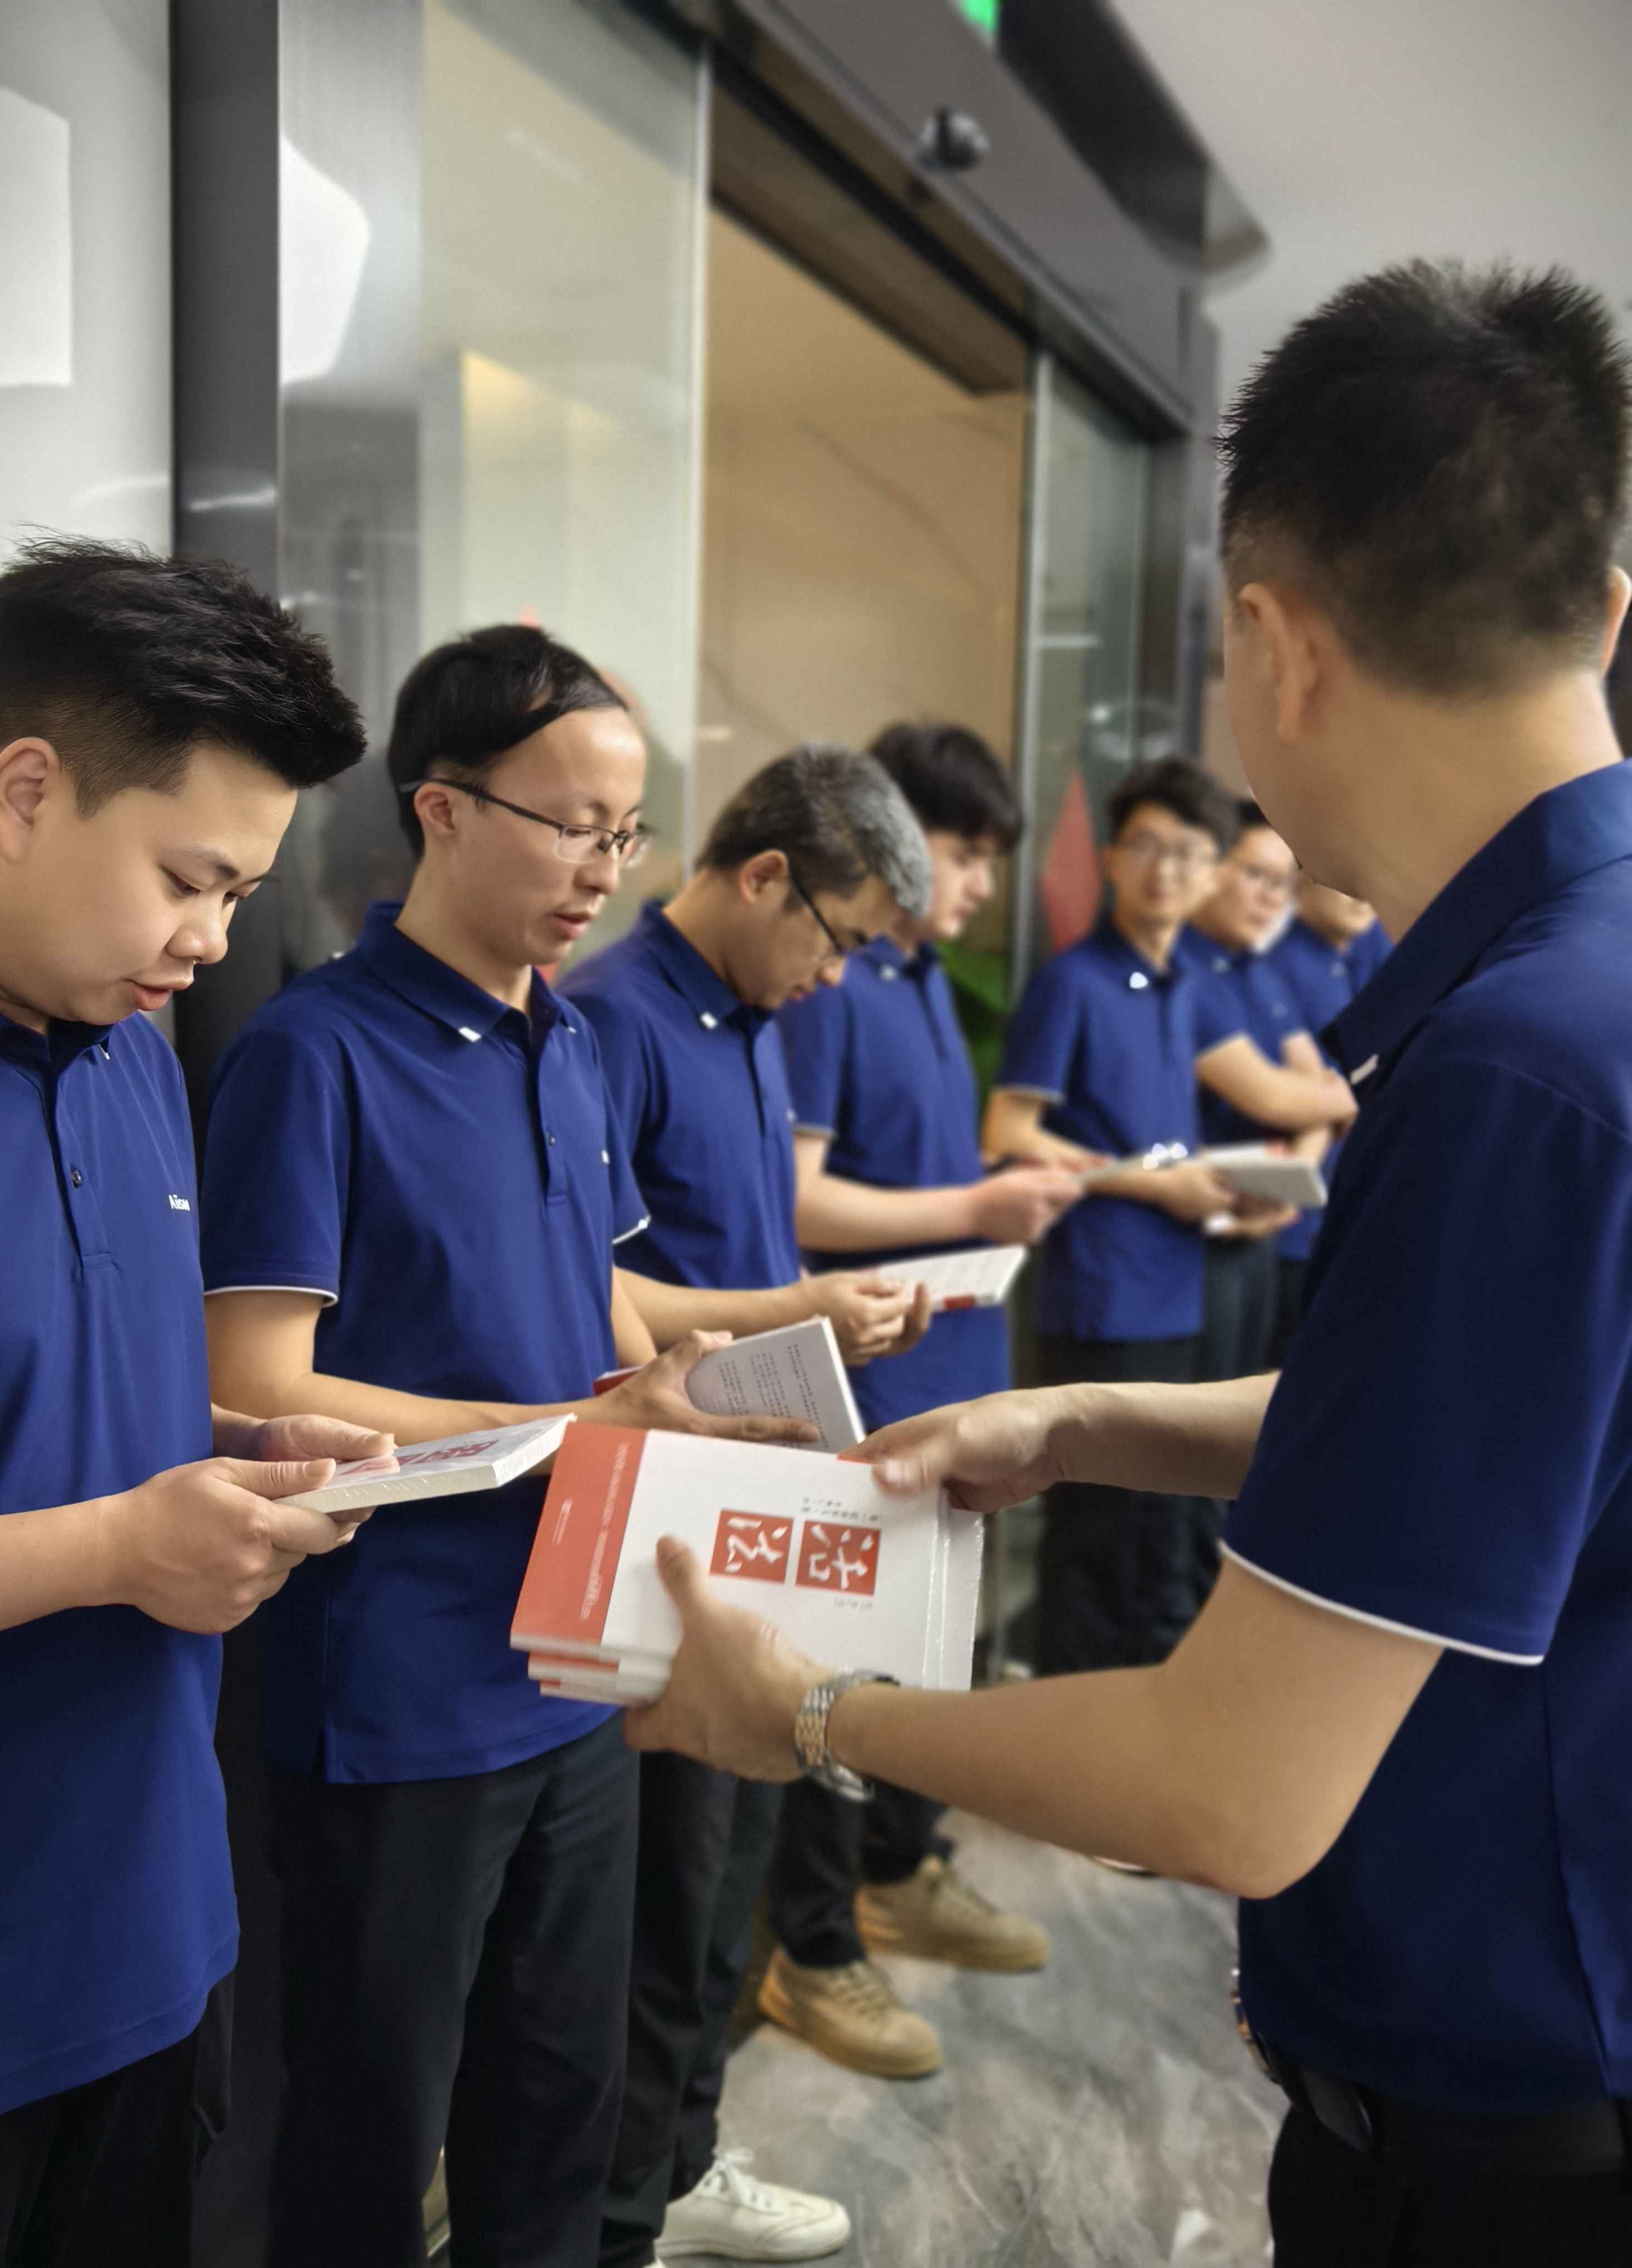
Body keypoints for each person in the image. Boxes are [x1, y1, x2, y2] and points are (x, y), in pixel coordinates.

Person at [628, 259, 1632, 2266]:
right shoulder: (1571, 999)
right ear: (1605, 611)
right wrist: (1089, 1420)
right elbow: (1488, 1440)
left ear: (1269, 643)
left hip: (1506, 2133)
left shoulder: (1518, 1067)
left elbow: (1232, 1783)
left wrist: (809, 1712)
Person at [198, 626, 810, 2268]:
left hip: (575, 1660)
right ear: (442, 809)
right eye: (570, 826)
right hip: (398, 1692)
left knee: (557, 2111)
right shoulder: (314, 1053)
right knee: (368, 2141)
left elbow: (589, 1293)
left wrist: (727, 1369)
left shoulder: (571, 1041)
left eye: (626, 833)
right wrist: (573, 1424)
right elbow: (256, 1376)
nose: (603, 869)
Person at [0, 538, 387, 2268]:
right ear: (26, 791)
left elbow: (43, 1399)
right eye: (190, 882)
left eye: (243, 895)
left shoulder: (128, 1048)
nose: (211, 942)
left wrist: (239, 1450)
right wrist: (123, 1547)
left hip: (149, 1937)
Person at [558, 743, 937, 2266]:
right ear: (765, 875)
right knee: (664, 1893)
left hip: (761, 1493)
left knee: (726, 1880)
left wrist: (823, 1321)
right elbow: (594, 1293)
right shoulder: (610, 1017)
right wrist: (800, 1309)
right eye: (836, 939)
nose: (835, 978)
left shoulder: (754, 1020)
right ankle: (625, 2206)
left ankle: (685, 2157)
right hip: (661, 1516)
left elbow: (737, 1255)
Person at [762, 723, 1077, 2081]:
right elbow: (803, 1199)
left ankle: (902, 1868)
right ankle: (813, 1943)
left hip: (959, 1371)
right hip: (873, 1385)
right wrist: (975, 1204)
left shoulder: (921, 977)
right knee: (843, 1682)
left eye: (990, 860)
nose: (977, 886)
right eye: (962, 853)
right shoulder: (830, 987)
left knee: (929, 1663)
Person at [981, 756, 1243, 1673]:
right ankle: (1067, 1707)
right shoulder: (1074, 982)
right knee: (1095, 1527)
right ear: (1109, 859)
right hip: (1103, 1290)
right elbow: (1010, 1130)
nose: (1165, 869)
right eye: (1146, 847)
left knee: (1155, 1525)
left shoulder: (1184, 984)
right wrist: (1150, 1184)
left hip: (1176, 1283)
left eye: (1187, 852)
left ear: (1211, 873)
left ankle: (1136, 1706)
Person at [1175, 803, 1355, 1386]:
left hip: (1265, 1219)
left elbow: (1318, 1088)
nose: (1271, 897)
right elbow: (1276, 1098)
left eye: (1281, 882)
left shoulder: (1255, 969)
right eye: (1255, 875)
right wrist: (1340, 1098)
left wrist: (1289, 1181)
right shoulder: (1180, 966)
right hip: (1200, 1224)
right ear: (1210, 868)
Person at [1264, 879, 1391, 1358]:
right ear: (1301, 882)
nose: (1361, 894)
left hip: (1350, 1206)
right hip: (1289, 1218)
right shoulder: (1278, 965)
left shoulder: (1366, 950)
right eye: (1343, 881)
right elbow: (1306, 1094)